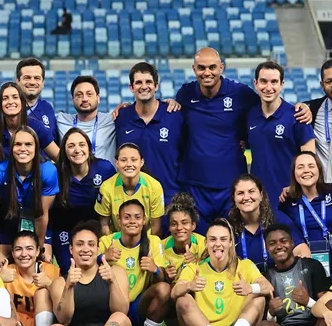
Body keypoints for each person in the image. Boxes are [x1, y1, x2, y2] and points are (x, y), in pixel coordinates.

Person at [170, 218, 272, 326]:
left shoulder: (244, 265)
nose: (218, 244)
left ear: (231, 243)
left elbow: (268, 287)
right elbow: (174, 292)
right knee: (182, 299)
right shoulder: (194, 267)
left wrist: (250, 288)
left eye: (223, 239)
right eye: (213, 239)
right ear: (206, 243)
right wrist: (189, 285)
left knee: (259, 298)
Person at [176, 48, 258, 227]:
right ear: (193, 69)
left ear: (221, 67)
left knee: (230, 240)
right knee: (198, 243)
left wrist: (305, 107)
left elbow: (269, 109)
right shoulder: (185, 94)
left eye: (212, 67)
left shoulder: (241, 93)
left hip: (230, 185)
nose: (207, 73)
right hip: (194, 185)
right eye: (201, 68)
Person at [47, 223, 132, 326]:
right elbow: (63, 319)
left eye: (91, 244)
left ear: (98, 249)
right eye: (80, 244)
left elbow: (122, 311)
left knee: (120, 318)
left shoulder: (116, 272)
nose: (86, 249)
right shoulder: (60, 282)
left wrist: (112, 281)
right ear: (71, 250)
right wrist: (69, 287)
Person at [252, 224, 332, 326]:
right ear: (266, 248)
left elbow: (327, 302)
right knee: (265, 324)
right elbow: (268, 323)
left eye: (283, 241)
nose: (279, 246)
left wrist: (308, 302)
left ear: (292, 243)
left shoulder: (312, 266)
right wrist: (271, 313)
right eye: (272, 243)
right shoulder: (266, 276)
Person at [136, 192, 204, 326]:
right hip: (170, 299)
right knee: (166, 288)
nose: (179, 228)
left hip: (196, 298)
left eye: (184, 223)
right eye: (174, 224)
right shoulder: (161, 246)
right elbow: (157, 280)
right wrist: (165, 274)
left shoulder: (204, 244)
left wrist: (197, 263)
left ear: (193, 225)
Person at [114, 62, 185, 209]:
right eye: (138, 82)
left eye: (148, 82)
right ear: (131, 87)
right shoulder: (122, 117)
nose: (144, 86)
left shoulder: (174, 115)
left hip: (169, 198)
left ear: (156, 86)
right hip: (132, 200)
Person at [277, 151, 332, 280]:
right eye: (300, 167)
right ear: (294, 174)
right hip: (307, 260)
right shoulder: (287, 202)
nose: (306, 171)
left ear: (319, 170)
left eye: (311, 166)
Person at [0, 126, 59, 266]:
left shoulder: (48, 171)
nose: (23, 149)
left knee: (44, 266)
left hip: (35, 227)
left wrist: (40, 248)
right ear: (11, 147)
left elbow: (42, 214)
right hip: (6, 227)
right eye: (18, 144)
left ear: (36, 148)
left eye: (28, 144)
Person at [246, 60, 316, 203]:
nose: (268, 87)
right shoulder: (249, 116)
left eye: (274, 82)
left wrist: (295, 187)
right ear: (255, 83)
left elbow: (311, 160)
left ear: (282, 84)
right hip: (259, 199)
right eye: (263, 81)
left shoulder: (298, 116)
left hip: (289, 197)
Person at [98, 199, 168, 326]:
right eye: (127, 217)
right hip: (111, 306)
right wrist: (103, 257)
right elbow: (87, 267)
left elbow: (161, 279)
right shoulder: (107, 241)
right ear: (119, 220)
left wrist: (156, 269)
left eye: (137, 217)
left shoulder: (153, 242)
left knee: (164, 289)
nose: (132, 221)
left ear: (144, 220)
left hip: (138, 305)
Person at [51, 128, 116, 271]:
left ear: (89, 148)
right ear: (64, 151)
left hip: (96, 230)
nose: (77, 150)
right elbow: (46, 212)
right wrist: (47, 242)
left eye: (82, 144)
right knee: (71, 272)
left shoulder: (104, 169)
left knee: (98, 271)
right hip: (65, 230)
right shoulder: (55, 173)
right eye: (71, 146)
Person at [0, 230, 59, 326]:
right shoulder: (6, 271)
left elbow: (64, 302)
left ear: (38, 251)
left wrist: (49, 283)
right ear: (13, 253)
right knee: (2, 293)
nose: (24, 254)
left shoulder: (51, 270)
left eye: (29, 249)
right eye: (18, 249)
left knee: (42, 292)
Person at [0, 57, 60, 144]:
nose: (32, 82)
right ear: (17, 81)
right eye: (27, 78)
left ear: (43, 83)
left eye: (37, 78)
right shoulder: (1, 108)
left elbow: (55, 144)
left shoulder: (47, 108)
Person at [94, 143, 163, 236]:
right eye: (123, 160)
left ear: (141, 162)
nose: (129, 164)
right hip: (117, 240)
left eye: (134, 160)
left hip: (145, 240)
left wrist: (144, 245)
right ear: (117, 163)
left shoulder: (154, 186)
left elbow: (156, 227)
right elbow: (104, 224)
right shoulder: (106, 188)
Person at [0, 82, 59, 162]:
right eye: (5, 98)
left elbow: (58, 156)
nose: (10, 101)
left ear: (22, 102)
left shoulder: (36, 126)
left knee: (48, 169)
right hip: (0, 173)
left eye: (15, 97)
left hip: (31, 173)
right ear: (0, 105)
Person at [56, 75, 116, 160]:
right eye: (79, 95)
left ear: (98, 98)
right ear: (73, 100)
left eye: (89, 94)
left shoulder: (112, 120)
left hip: (106, 173)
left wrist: (126, 105)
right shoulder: (60, 120)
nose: (84, 99)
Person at [227, 174, 275, 268]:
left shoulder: (277, 219)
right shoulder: (227, 227)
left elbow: (299, 248)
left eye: (251, 191)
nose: (246, 197)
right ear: (234, 199)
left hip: (274, 280)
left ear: (261, 196)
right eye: (240, 193)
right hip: (241, 280)